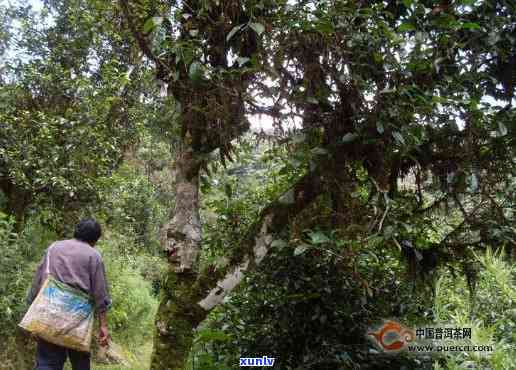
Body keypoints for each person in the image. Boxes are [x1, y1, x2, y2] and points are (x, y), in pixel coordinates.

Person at [27, 219, 111, 370]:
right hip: (78, 321)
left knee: (47, 363)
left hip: (49, 315)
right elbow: (100, 293)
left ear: (76, 231)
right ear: (95, 239)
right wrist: (103, 325)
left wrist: (32, 307)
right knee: (80, 364)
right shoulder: (94, 256)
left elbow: (39, 279)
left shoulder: (54, 247)